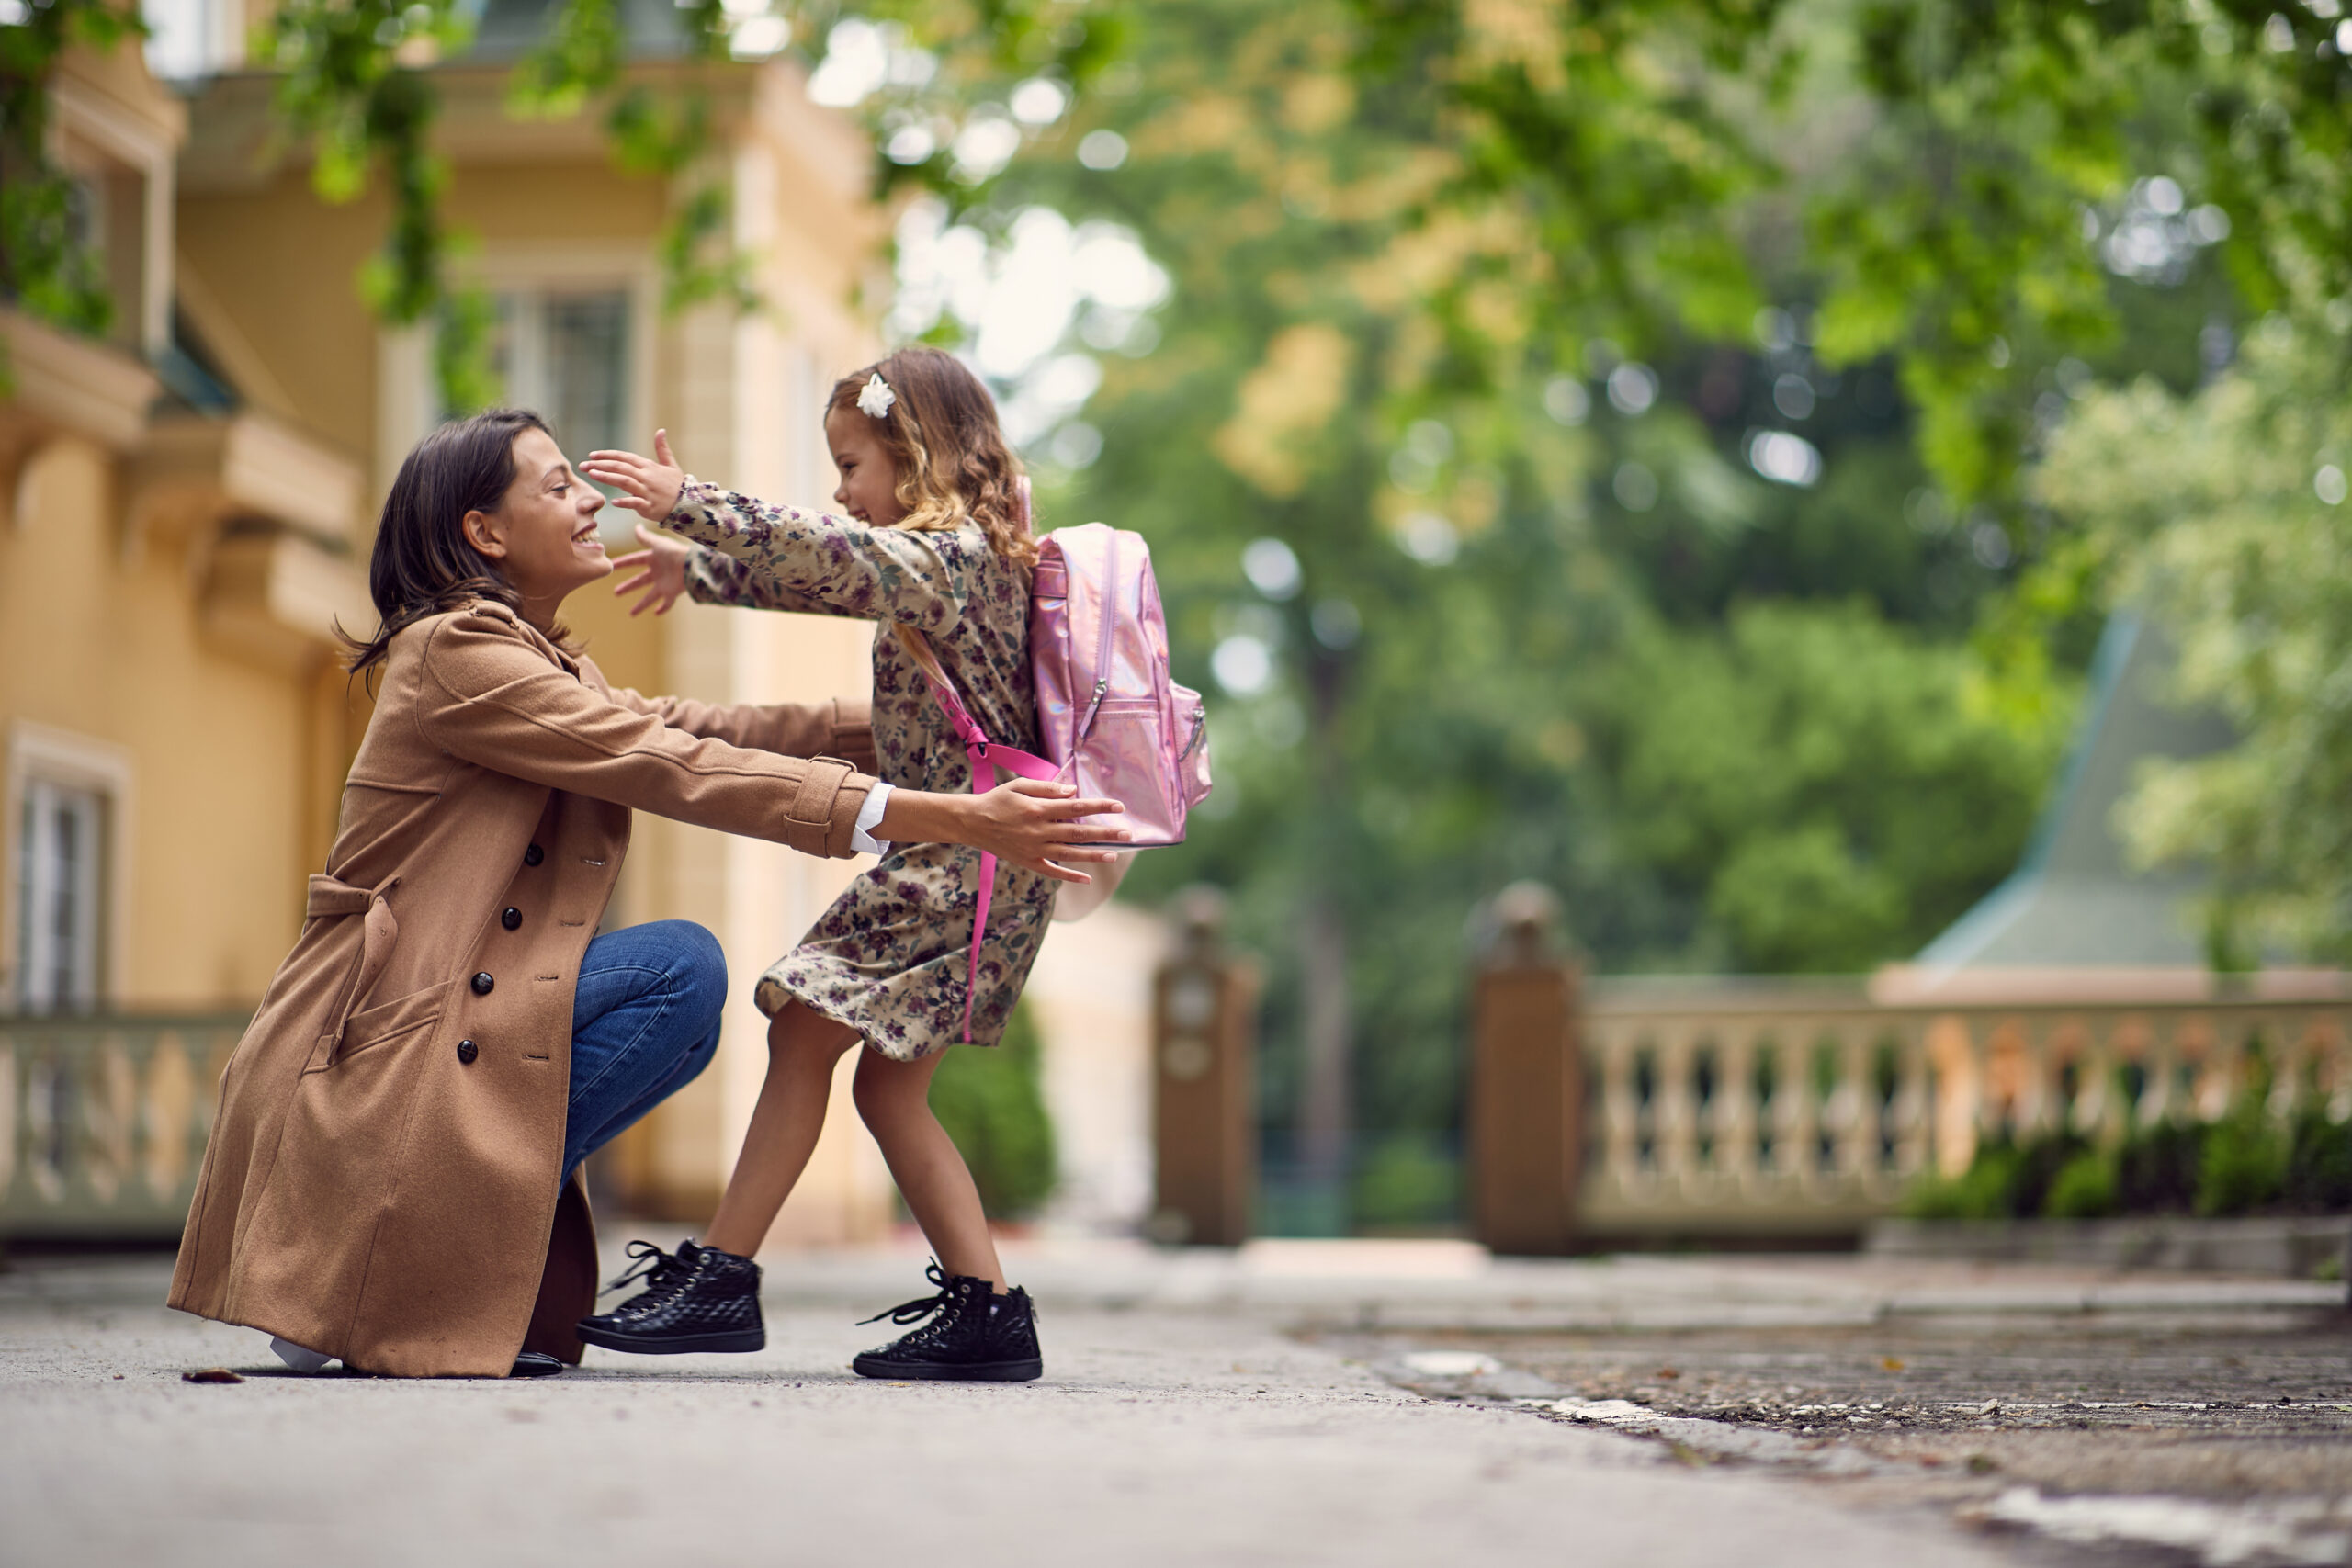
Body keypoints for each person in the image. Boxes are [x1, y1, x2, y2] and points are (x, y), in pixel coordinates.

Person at [166, 408, 1125, 1379]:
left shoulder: (538, 658)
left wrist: (938, 728)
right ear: (483, 532)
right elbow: (667, 762)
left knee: (684, 988)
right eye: (555, 485)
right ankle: (379, 1243)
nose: (589, 501)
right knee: (678, 971)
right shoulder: (458, 657)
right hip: (380, 1040)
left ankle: (401, 1255)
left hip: (441, 1013)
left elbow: (700, 722)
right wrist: (953, 816)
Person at [576, 347, 1083, 1380]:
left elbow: (833, 558)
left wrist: (692, 507)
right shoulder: (965, 557)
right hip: (978, 858)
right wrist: (702, 570)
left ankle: (722, 1275)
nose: (842, 489)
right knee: (888, 1093)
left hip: (966, 851)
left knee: (805, 1021)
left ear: (920, 455)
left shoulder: (948, 560)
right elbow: (843, 571)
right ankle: (989, 1313)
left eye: (853, 464)